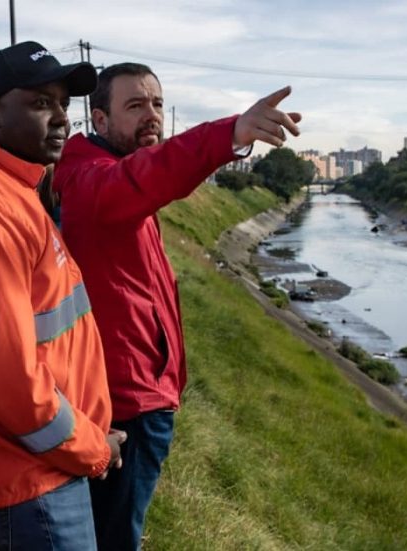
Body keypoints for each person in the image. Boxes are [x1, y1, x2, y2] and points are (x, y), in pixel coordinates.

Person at [52, 62, 301, 550]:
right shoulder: (93, 182)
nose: (152, 116)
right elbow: (154, 172)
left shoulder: (101, 173)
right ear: (99, 121)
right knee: (117, 535)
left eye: (158, 104)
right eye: (135, 105)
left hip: (139, 389)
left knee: (115, 528)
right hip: (128, 402)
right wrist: (229, 133)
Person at [0, 41, 125, 550]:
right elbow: (9, 382)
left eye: (63, 104)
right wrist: (92, 447)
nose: (60, 118)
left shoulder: (11, 192)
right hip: (28, 479)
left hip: (39, 467)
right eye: (39, 103)